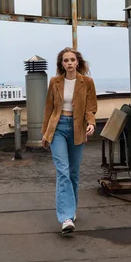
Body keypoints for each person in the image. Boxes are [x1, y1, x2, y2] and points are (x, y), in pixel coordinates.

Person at [42, 47, 98, 235]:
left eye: (72, 60)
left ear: (78, 62)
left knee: (73, 173)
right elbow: (48, 109)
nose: (69, 63)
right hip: (58, 128)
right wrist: (45, 134)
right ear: (62, 64)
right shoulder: (55, 82)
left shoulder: (87, 82)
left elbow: (91, 108)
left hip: (78, 129)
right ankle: (65, 217)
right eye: (66, 60)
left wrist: (91, 123)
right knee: (63, 172)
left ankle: (71, 210)